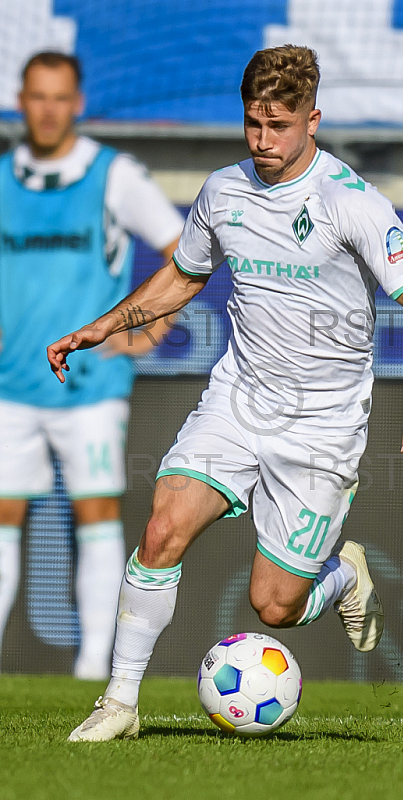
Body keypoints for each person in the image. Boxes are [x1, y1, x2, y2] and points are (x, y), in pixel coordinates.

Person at [48, 45, 403, 741]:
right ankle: (119, 704)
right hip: (238, 401)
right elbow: (185, 276)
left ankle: (341, 575)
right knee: (162, 528)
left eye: (279, 126)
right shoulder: (223, 191)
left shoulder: (349, 201)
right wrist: (104, 326)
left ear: (313, 119)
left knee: (274, 607)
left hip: (322, 426)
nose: (264, 141)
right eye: (253, 124)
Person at [0, 51, 184, 679]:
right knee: (4, 516)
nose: (48, 109)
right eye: (37, 96)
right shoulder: (2, 178)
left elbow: (183, 252)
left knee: (97, 514)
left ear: (77, 104)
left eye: (60, 97)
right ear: (20, 101)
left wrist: (145, 333)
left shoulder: (113, 175)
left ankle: (91, 670)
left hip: (90, 387)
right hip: (10, 389)